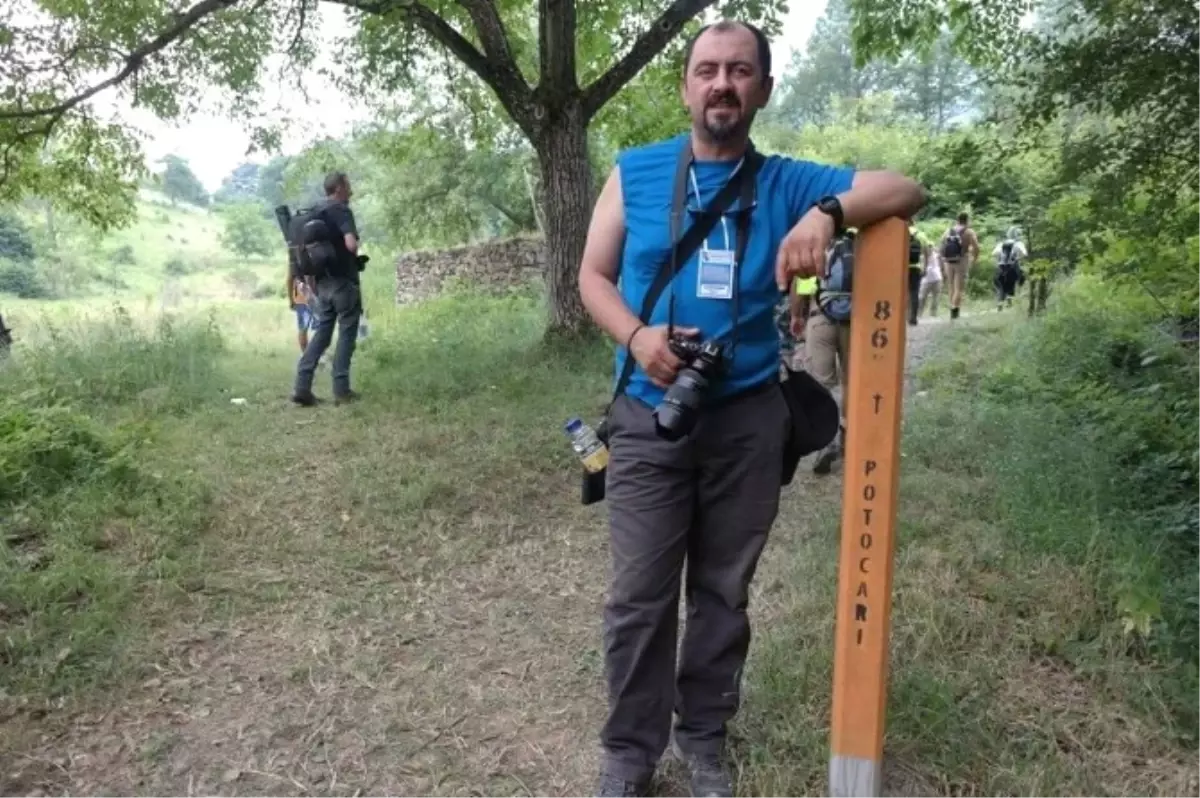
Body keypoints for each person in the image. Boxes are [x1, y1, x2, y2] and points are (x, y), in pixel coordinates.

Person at [576, 20, 926, 798]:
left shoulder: (788, 181)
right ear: (686, 86)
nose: (722, 84)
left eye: (740, 70)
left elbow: (906, 188)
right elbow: (591, 278)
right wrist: (638, 337)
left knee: (722, 592)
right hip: (647, 415)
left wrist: (828, 211)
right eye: (707, 70)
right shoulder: (634, 172)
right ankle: (630, 751)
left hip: (746, 423)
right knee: (639, 595)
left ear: (763, 89)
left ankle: (704, 737)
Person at [291, 171, 364, 407]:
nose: (350, 190)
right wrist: (354, 250)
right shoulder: (341, 210)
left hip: (321, 285)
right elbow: (351, 244)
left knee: (321, 335)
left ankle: (302, 387)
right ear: (340, 187)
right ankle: (341, 390)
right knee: (346, 334)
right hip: (344, 282)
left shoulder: (313, 213)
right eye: (348, 185)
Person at [801, 231, 855, 475]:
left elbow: (801, 285)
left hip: (820, 316)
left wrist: (794, 315)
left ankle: (829, 438)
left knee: (822, 383)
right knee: (852, 382)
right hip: (857, 319)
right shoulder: (863, 244)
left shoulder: (816, 244)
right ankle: (849, 435)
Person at [940, 211, 980, 320]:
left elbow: (942, 244)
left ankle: (952, 307)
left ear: (957, 220)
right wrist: (975, 259)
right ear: (967, 220)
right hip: (961, 261)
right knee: (959, 288)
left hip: (948, 261)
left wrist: (942, 259)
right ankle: (955, 310)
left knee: (951, 286)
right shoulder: (969, 232)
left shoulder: (948, 230)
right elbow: (976, 247)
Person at [992, 228, 1028, 310]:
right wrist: (1018, 258)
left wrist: (1000, 259)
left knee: (1001, 287)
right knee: (1013, 283)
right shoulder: (1019, 243)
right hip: (1012, 267)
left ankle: (1000, 304)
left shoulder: (1001, 244)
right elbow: (1025, 254)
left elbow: (994, 254)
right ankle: (1009, 301)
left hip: (1001, 268)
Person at [906, 221, 929, 325]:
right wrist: (925, 267)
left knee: (902, 293)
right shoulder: (921, 235)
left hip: (901, 269)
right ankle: (913, 318)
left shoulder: (900, 232)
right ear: (913, 223)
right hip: (916, 267)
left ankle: (902, 317)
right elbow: (927, 253)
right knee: (914, 293)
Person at [288, 274, 318, 353]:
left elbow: (290, 278)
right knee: (320, 327)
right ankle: (316, 354)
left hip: (300, 295)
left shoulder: (295, 261)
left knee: (302, 328)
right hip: (316, 294)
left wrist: (291, 299)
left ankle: (305, 355)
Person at [918, 245, 944, 318]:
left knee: (935, 297)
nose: (929, 250)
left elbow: (940, 253)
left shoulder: (936, 255)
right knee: (922, 297)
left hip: (937, 278)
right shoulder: (921, 257)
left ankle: (933, 313)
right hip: (926, 280)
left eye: (930, 248)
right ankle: (919, 313)